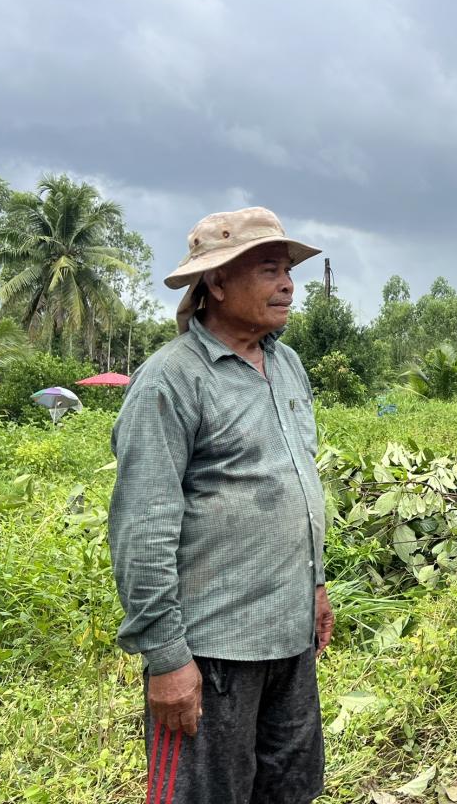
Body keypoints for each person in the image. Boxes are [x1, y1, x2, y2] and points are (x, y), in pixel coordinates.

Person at [108, 206, 332, 804]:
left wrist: (315, 586)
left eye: (287, 270)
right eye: (268, 269)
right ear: (216, 282)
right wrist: (165, 657)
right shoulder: (171, 380)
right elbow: (143, 527)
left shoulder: (285, 365)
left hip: (289, 640)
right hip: (212, 653)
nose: (287, 284)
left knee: (290, 789)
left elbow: (295, 481)